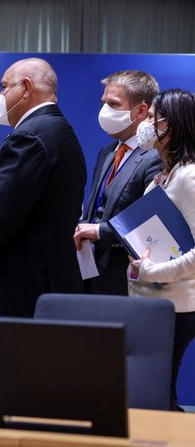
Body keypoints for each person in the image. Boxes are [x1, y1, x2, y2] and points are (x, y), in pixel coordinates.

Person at [0, 57, 86, 317]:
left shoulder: (30, 136)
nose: (1, 95)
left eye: (5, 87)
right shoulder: (59, 130)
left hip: (21, 286)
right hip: (48, 280)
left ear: (26, 88)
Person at [129, 89, 195, 411]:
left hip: (175, 306)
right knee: (150, 391)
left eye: (153, 116)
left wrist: (152, 271)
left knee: (157, 393)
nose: (146, 123)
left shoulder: (190, 177)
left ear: (171, 125)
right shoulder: (160, 178)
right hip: (150, 299)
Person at [75, 70, 161, 295]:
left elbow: (150, 221)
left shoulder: (155, 157)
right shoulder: (108, 152)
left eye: (114, 104)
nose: (104, 111)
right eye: (104, 103)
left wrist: (100, 231)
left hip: (126, 278)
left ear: (141, 110)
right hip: (91, 272)